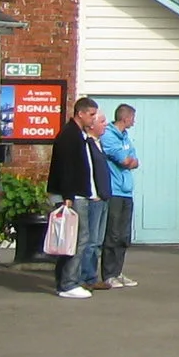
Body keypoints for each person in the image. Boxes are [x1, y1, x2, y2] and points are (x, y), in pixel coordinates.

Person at [47, 96, 105, 297]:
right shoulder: (69, 135)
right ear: (80, 113)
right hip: (73, 195)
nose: (93, 119)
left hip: (80, 193)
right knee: (79, 238)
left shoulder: (79, 134)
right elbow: (67, 168)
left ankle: (65, 280)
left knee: (71, 239)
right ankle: (69, 283)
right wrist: (68, 196)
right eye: (91, 115)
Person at [98, 103, 140, 288]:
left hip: (126, 191)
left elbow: (134, 160)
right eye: (132, 117)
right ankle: (108, 274)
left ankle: (118, 271)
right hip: (114, 191)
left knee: (124, 235)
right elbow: (123, 159)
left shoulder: (125, 137)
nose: (134, 121)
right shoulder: (108, 135)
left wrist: (129, 160)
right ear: (125, 118)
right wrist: (127, 160)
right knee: (112, 234)